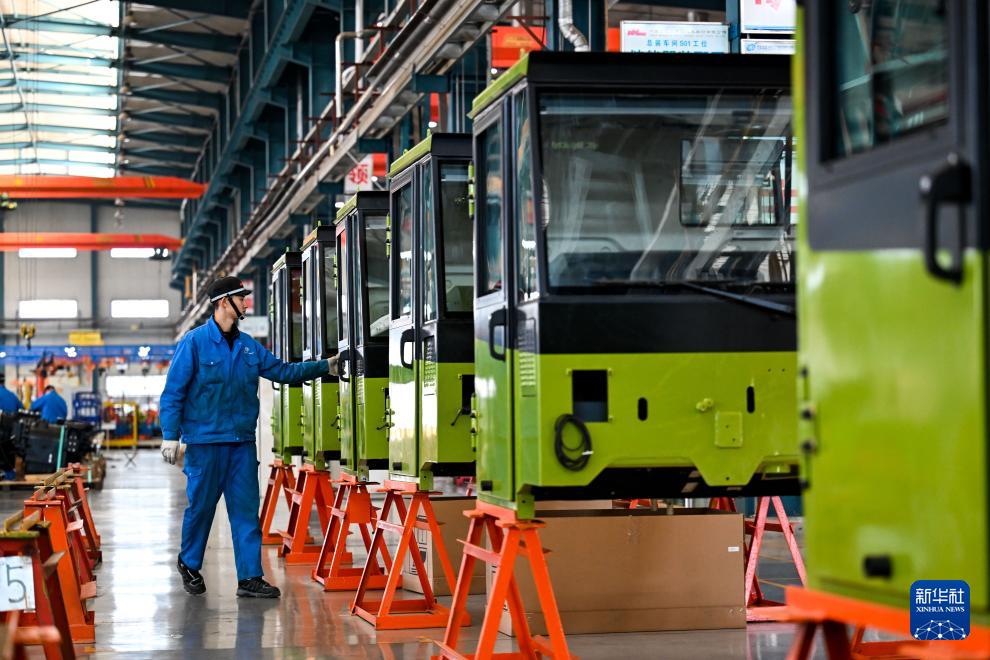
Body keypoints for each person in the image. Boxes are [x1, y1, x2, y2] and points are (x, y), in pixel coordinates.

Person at [159, 276, 333, 599]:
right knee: (201, 509)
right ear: (224, 302)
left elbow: (283, 371)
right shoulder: (194, 343)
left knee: (245, 511)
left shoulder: (249, 346)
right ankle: (189, 563)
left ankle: (250, 577)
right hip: (205, 444)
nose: (246, 303)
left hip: (240, 444)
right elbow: (173, 393)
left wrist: (325, 366)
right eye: (241, 298)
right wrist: (170, 435)